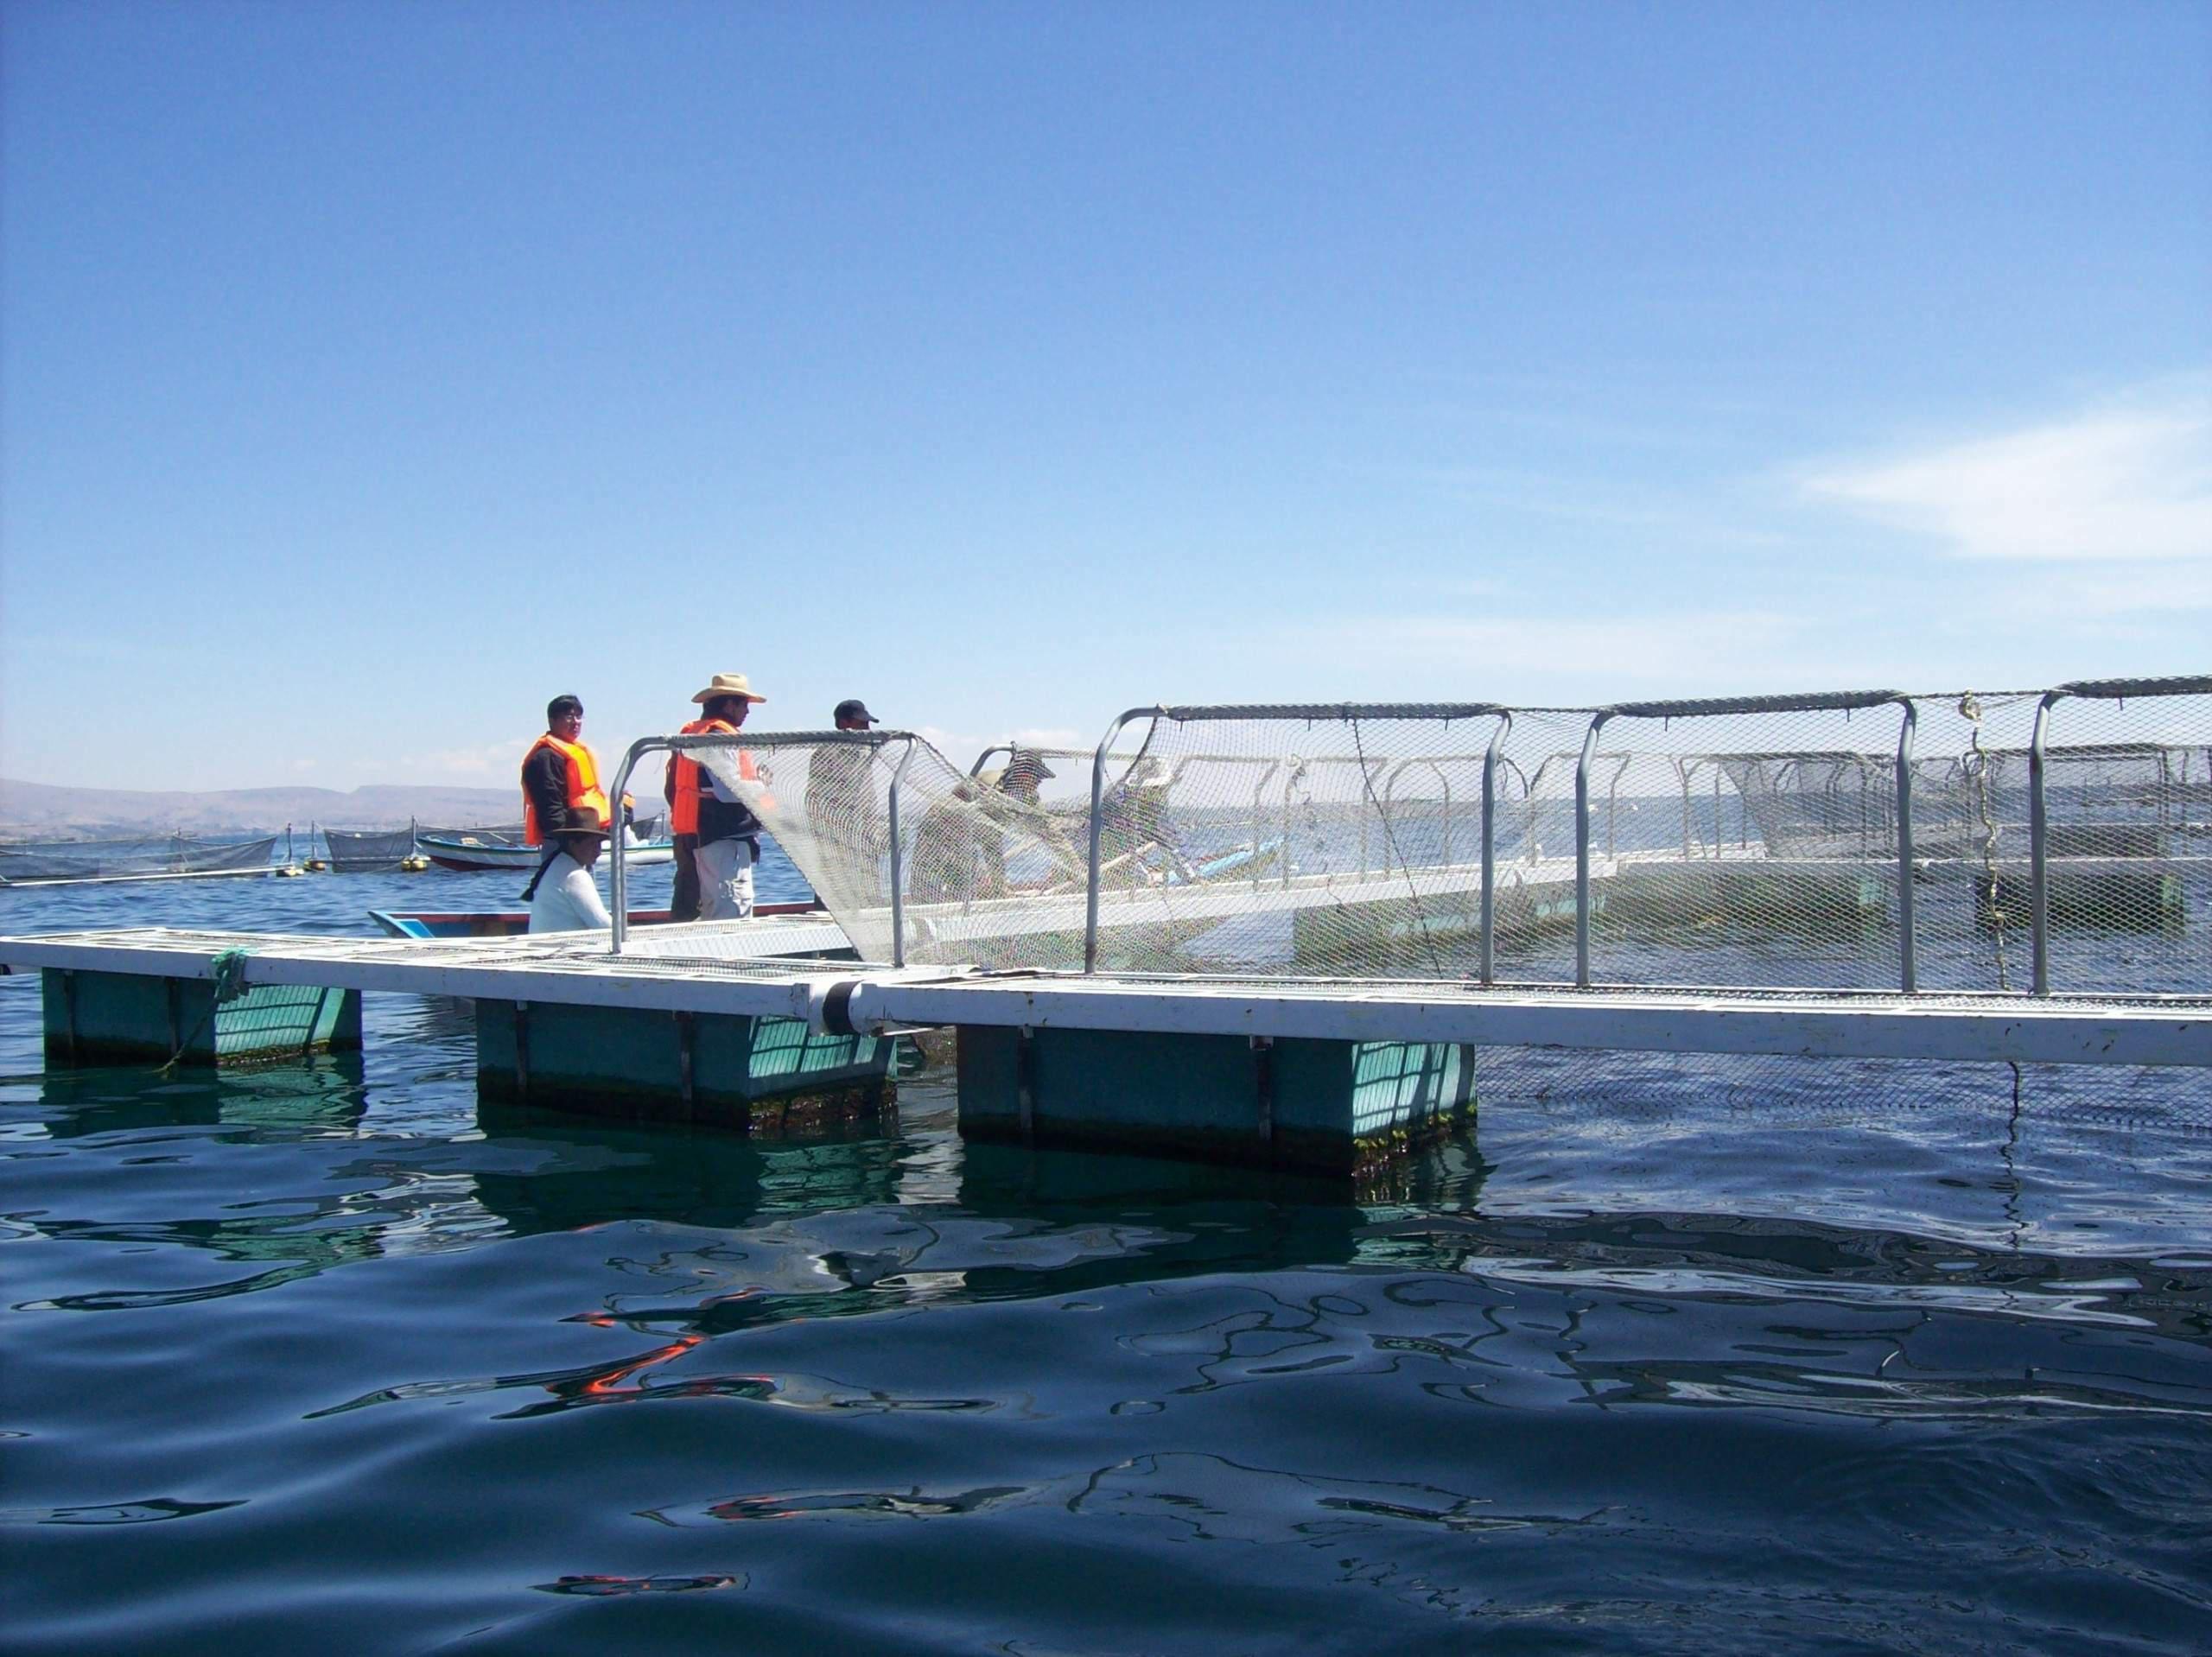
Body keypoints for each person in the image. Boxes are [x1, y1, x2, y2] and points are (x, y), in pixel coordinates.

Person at [669, 672, 770, 922]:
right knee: (732, 905)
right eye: (744, 705)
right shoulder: (719, 736)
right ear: (729, 705)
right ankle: (730, 946)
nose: (747, 711)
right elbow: (728, 789)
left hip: (695, 836)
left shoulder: (692, 735)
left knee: (709, 904)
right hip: (722, 836)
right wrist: (762, 786)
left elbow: (671, 789)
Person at [520, 694, 609, 902]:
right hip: (564, 842)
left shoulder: (574, 752)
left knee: (583, 895)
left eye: (579, 716)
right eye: (569, 716)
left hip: (582, 839)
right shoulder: (545, 758)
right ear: (552, 720)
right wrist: (571, 843)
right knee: (564, 896)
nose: (575, 722)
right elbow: (550, 807)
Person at [804, 699, 885, 885]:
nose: (867, 730)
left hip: (865, 839)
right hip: (836, 841)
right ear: (844, 724)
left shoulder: (864, 752)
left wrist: (875, 834)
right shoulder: (826, 754)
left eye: (868, 725)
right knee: (835, 886)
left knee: (869, 887)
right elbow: (816, 800)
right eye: (861, 724)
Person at [526, 804, 614, 933]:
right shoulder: (575, 876)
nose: (598, 851)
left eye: (599, 844)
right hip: (558, 946)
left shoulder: (559, 864)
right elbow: (604, 925)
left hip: (549, 943)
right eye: (592, 844)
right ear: (573, 844)